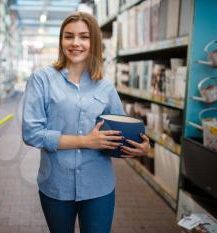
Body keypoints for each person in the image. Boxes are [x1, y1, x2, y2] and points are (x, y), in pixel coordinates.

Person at [22, 11, 150, 233]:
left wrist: (140, 147)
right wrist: (85, 141)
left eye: (84, 36)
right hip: (56, 185)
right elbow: (31, 133)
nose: (75, 43)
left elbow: (121, 133)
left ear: (94, 42)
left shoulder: (106, 87)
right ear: (61, 39)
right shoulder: (41, 79)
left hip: (98, 186)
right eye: (68, 36)